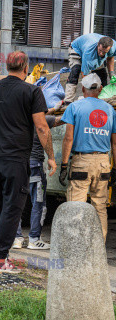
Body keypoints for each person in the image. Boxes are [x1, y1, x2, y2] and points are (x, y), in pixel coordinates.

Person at [0, 51, 57, 274]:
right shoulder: (32, 90)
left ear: (7, 66)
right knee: (13, 209)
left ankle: (0, 254)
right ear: (25, 68)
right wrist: (50, 155)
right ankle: (0, 259)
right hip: (16, 159)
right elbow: (41, 127)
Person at [59, 73, 116, 242]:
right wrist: (115, 169)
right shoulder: (110, 110)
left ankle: (76, 248)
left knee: (76, 206)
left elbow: (68, 138)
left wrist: (63, 165)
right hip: (103, 163)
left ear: (82, 88)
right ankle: (98, 248)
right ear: (99, 90)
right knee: (100, 207)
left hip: (81, 163)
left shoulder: (74, 107)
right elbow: (114, 144)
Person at [12, 115, 64, 250]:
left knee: (15, 202)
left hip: (16, 164)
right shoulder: (42, 118)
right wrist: (51, 157)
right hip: (34, 165)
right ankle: (34, 239)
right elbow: (63, 119)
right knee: (38, 203)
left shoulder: (15, 117)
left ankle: (16, 239)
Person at [64, 34, 116, 103]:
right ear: (98, 44)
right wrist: (88, 98)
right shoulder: (89, 53)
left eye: (104, 52)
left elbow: (110, 58)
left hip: (90, 47)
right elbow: (85, 76)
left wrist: (112, 74)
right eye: (100, 50)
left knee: (102, 75)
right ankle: (68, 101)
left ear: (110, 48)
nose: (101, 53)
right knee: (75, 71)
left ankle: (102, 98)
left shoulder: (113, 47)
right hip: (76, 49)